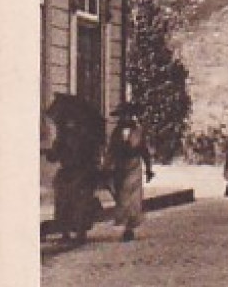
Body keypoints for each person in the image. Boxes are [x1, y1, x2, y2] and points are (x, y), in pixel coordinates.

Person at [45, 92, 104, 246]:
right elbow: (55, 155)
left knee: (79, 203)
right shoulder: (64, 134)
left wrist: (54, 153)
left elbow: (72, 153)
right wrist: (51, 153)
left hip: (82, 172)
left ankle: (78, 233)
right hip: (69, 171)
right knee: (63, 201)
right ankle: (67, 232)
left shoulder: (81, 134)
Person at [106, 106, 154, 242]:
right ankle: (124, 223)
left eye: (128, 115)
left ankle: (129, 228)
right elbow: (111, 150)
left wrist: (149, 168)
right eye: (123, 115)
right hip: (120, 166)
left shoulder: (138, 131)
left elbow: (144, 150)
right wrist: (107, 167)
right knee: (121, 197)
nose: (125, 118)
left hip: (134, 165)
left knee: (133, 196)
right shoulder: (116, 132)